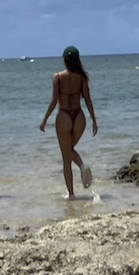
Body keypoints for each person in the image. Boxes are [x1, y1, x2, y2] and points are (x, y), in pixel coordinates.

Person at [39, 45, 98, 199]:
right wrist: (94, 120)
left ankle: (72, 193)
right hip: (79, 117)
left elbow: (54, 101)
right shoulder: (82, 77)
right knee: (69, 150)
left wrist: (44, 119)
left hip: (64, 116)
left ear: (64, 59)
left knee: (66, 156)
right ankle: (82, 167)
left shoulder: (58, 77)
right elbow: (88, 99)